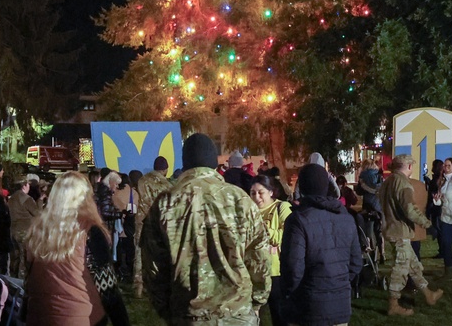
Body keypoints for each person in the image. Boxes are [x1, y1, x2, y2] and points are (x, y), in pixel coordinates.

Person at [142, 133, 270, 325]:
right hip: (237, 314)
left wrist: (169, 310)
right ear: (213, 164)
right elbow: (259, 257)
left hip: (188, 314)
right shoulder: (240, 200)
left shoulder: (164, 203)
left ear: (185, 164)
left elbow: (153, 268)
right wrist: (256, 302)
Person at [25, 171, 127, 326]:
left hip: (39, 315)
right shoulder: (89, 232)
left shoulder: (38, 229)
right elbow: (107, 287)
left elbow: (31, 276)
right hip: (80, 317)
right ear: (86, 197)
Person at [278, 164, 361, 326]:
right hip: (340, 307)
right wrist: (338, 283)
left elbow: (293, 268)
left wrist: (288, 293)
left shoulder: (298, 220)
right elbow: (356, 262)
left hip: (308, 307)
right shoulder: (346, 218)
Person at [378, 154, 443, 317]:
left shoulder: (388, 182)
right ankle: (393, 304)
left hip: (392, 229)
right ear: (408, 166)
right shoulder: (403, 183)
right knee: (400, 268)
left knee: (413, 265)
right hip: (400, 231)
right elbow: (409, 209)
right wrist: (427, 224)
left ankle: (428, 294)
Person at [250, 175, 292, 326]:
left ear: (271, 192)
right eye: (253, 193)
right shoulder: (249, 211)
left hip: (276, 273)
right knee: (253, 318)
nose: (257, 197)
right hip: (253, 273)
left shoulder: (282, 207)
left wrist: (265, 229)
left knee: (279, 316)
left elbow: (288, 235)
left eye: (261, 192)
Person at [134, 157, 171, 298]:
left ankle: (138, 286)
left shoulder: (141, 181)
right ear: (165, 169)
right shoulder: (166, 185)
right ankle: (154, 284)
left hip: (141, 221)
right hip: (156, 222)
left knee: (138, 252)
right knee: (156, 254)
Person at [7, 177, 41, 278]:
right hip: (24, 232)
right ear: (25, 186)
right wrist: (40, 201)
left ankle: (13, 278)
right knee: (24, 257)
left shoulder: (11, 198)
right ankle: (22, 281)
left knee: (15, 257)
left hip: (13, 231)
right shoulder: (26, 199)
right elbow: (38, 214)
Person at [425, 159, 445, 258]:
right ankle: (442, 250)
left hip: (436, 207)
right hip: (438, 207)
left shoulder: (437, 179)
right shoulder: (440, 178)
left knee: (438, 229)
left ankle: (442, 251)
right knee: (439, 229)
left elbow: (433, 193)